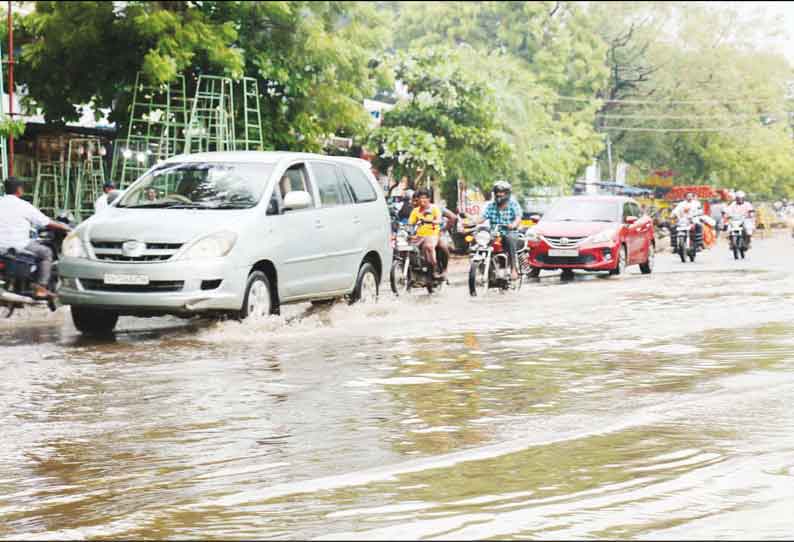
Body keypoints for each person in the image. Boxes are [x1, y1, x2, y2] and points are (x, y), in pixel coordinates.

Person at [0, 177, 72, 298]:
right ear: (19, 189)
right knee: (46, 253)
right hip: (19, 244)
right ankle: (41, 288)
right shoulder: (24, 205)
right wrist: (65, 227)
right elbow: (45, 222)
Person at [475, 180, 523, 281]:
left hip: (510, 232)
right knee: (480, 241)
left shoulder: (513, 204)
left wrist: (513, 224)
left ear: (507, 193)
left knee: (509, 239)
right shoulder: (491, 206)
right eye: (497, 192)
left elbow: (518, 217)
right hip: (494, 234)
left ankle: (513, 269)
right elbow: (482, 218)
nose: (499, 194)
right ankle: (486, 269)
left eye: (502, 192)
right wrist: (471, 222)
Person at [408, 188, 444, 278]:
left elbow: (439, 220)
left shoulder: (434, 209)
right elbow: (410, 223)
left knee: (428, 246)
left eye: (424, 198)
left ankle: (435, 268)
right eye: (420, 198)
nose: (422, 200)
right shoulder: (415, 211)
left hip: (433, 234)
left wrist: (431, 221)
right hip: (419, 235)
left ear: (429, 199)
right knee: (406, 247)